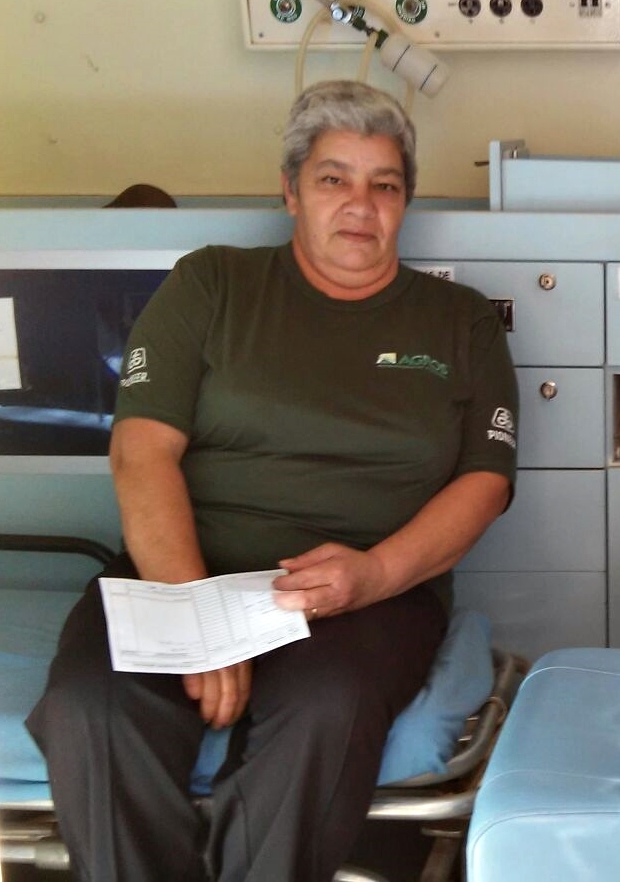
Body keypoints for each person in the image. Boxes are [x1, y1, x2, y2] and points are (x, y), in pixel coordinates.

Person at [26, 79, 519, 882]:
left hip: (369, 596)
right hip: (183, 573)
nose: (359, 204)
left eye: (384, 185)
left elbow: (485, 481)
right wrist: (195, 616)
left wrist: (373, 575)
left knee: (323, 712)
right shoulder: (211, 286)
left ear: (404, 202)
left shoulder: (458, 321)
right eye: (333, 178)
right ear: (290, 191)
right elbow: (140, 453)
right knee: (94, 709)